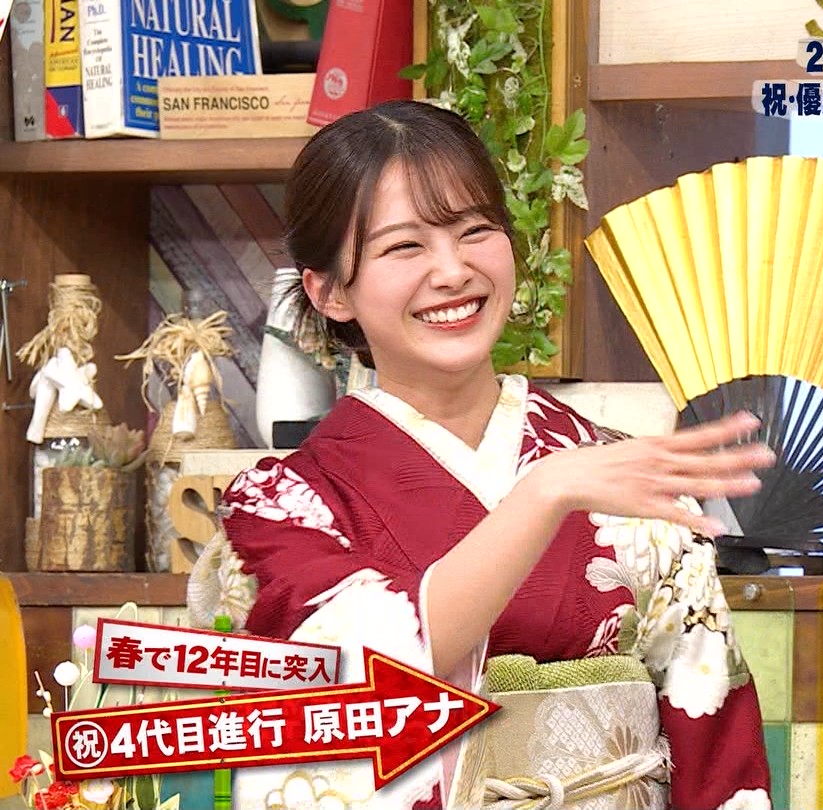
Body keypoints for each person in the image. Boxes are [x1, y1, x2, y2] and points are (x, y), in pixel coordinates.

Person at [188, 99, 777, 810]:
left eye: (475, 231)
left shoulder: (612, 474)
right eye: (405, 247)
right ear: (330, 290)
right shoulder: (281, 510)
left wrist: (558, 483)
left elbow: (714, 740)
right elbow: (338, 695)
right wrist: (540, 497)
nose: (453, 270)